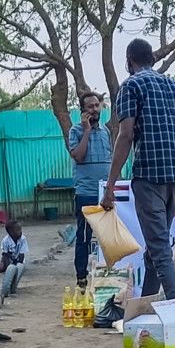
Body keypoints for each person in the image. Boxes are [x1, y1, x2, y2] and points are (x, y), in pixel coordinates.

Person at [105, 38, 175, 300]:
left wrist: (110, 185)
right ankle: (147, 304)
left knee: (159, 249)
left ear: (129, 59)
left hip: (150, 176)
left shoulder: (130, 86)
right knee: (156, 248)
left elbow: (125, 135)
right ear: (152, 58)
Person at [67, 89, 111, 288]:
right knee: (84, 237)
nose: (94, 110)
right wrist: (86, 130)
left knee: (107, 236)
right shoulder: (75, 131)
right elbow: (78, 156)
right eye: (90, 107)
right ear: (82, 111)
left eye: (96, 105)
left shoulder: (106, 132)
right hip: (85, 194)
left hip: (105, 195)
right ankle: (81, 277)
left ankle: (107, 273)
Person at [0, 218, 27, 300]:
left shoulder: (23, 239)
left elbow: (22, 254)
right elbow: (5, 255)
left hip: (18, 259)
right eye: (18, 230)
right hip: (8, 258)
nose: (20, 231)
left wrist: (18, 264)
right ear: (11, 232)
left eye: (20, 229)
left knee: (19, 267)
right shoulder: (5, 241)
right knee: (1, 268)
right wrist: (7, 267)